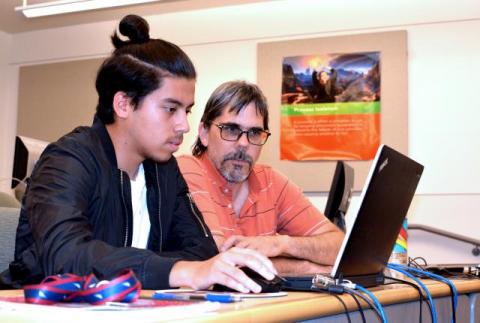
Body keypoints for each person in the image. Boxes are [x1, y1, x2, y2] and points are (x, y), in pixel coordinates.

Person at [0, 15, 277, 294]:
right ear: (123, 104)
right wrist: (177, 270)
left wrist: (174, 268)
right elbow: (65, 258)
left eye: (187, 110)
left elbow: (201, 253)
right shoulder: (66, 161)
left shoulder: (164, 169)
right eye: (171, 109)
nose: (184, 125)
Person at [178, 81, 345, 275]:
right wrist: (304, 267)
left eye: (255, 133)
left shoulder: (271, 181)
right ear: (204, 133)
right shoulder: (187, 171)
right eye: (231, 129)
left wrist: (282, 244)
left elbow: (340, 247)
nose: (243, 143)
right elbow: (217, 259)